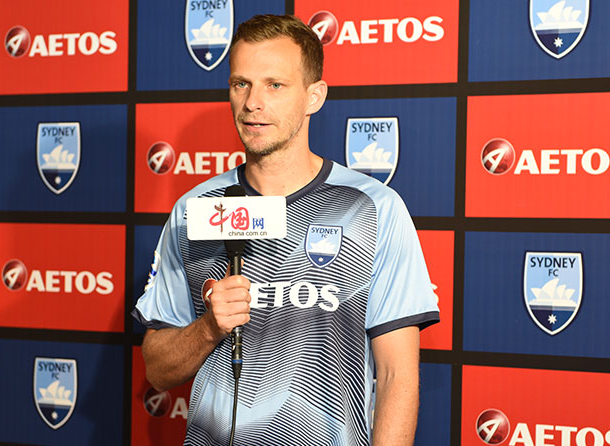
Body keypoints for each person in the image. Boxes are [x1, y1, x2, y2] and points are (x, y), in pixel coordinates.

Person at [133, 14, 439, 445]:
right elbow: (157, 370)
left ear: (314, 96)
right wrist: (207, 328)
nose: (253, 102)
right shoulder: (194, 210)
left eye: (274, 85)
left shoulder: (373, 209)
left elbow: (396, 376)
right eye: (241, 84)